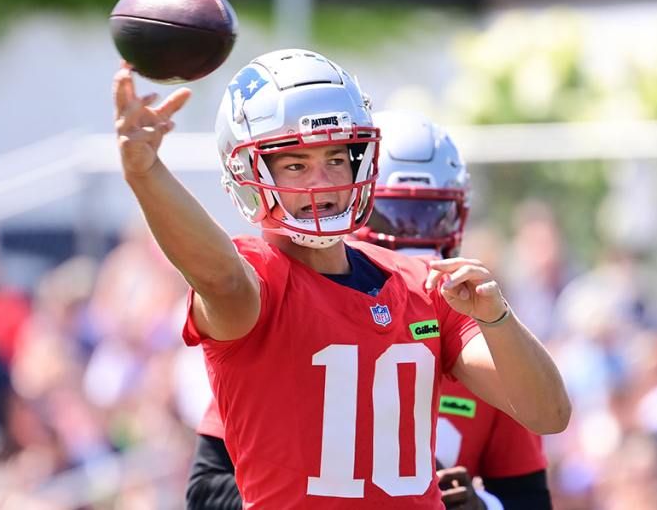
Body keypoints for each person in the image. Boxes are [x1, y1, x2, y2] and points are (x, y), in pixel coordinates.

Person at [113, 48, 570, 508]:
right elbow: (224, 280)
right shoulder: (258, 280)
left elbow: (548, 413)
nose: (323, 183)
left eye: (336, 158)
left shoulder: (421, 283)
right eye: (296, 165)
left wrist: (497, 318)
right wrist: (147, 174)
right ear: (248, 173)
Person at [186, 111, 553, 509]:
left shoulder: (485, 339)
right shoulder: (283, 315)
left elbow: (530, 491)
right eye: (394, 216)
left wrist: (485, 507)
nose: (415, 235)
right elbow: (207, 490)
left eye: (434, 215)